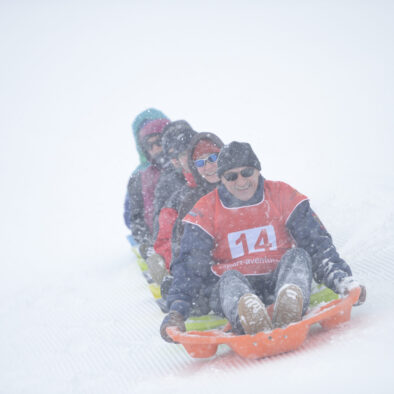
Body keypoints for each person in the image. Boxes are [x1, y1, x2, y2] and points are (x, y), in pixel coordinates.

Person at [160, 141, 366, 342]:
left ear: (257, 170)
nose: (241, 182)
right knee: (229, 280)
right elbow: (189, 265)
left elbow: (317, 244)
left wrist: (342, 280)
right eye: (232, 177)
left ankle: (290, 301)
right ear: (221, 179)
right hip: (233, 283)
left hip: (278, 276)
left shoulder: (282, 195)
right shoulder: (205, 210)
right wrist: (177, 310)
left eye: (247, 173)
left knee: (298, 256)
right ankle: (247, 313)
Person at [147, 132, 224, 288]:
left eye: (211, 158)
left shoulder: (236, 184)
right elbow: (168, 240)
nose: (207, 165)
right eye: (183, 155)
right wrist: (175, 267)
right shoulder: (180, 198)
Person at [124, 110, 170, 259]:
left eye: (159, 141)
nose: (156, 149)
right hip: (158, 243)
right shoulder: (139, 178)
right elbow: (132, 217)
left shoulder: (189, 165)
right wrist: (148, 242)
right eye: (150, 145)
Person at [151, 120, 197, 241]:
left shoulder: (216, 169)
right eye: (171, 156)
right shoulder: (166, 183)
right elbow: (162, 233)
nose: (176, 160)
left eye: (180, 152)